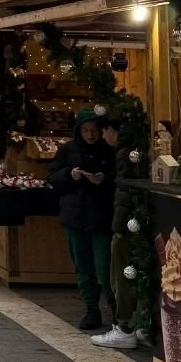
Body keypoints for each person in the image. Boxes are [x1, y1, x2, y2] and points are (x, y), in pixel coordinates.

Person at [48, 107, 117, 331]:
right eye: (86, 131)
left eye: (94, 130)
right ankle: (91, 309)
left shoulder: (108, 151)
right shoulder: (67, 150)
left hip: (101, 216)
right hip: (75, 216)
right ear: (79, 131)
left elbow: (118, 177)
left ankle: (116, 310)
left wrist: (104, 179)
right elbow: (53, 177)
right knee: (83, 266)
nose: (90, 135)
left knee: (105, 267)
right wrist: (70, 175)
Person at [92, 116, 143, 348]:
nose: (102, 137)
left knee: (121, 274)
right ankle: (139, 323)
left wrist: (118, 228)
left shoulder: (125, 154)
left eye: (104, 132)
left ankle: (125, 327)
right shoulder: (134, 150)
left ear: (112, 130)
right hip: (135, 222)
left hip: (127, 225)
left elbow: (124, 195)